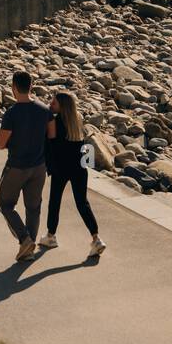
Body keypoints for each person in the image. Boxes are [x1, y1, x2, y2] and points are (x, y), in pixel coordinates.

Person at [0, 72, 53, 262]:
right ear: (31, 85)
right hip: (39, 167)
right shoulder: (45, 110)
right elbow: (52, 137)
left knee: (5, 204)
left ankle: (24, 239)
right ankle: (29, 247)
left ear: (13, 87)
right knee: (33, 207)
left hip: (17, 167)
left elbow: (0, 144)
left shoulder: (12, 113)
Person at [40, 92, 106, 258]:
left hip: (61, 168)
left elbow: (50, 144)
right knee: (82, 203)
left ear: (61, 106)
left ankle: (51, 236)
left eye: (53, 103)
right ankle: (96, 238)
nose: (50, 104)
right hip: (79, 168)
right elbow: (83, 147)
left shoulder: (54, 122)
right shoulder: (77, 119)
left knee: (55, 201)